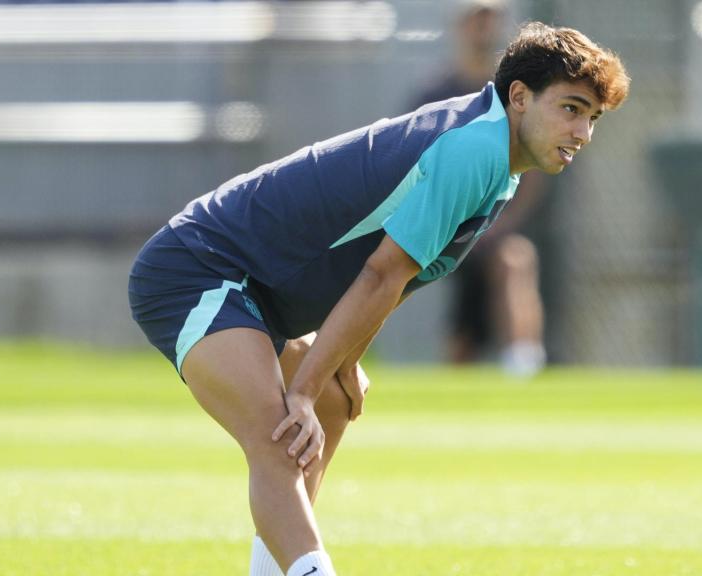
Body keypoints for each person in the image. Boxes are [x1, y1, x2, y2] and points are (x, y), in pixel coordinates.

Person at [129, 22, 629, 576]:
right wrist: (304, 388)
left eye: (593, 117)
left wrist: (339, 366)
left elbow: (394, 280)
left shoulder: (494, 156)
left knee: (333, 403)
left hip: (257, 287)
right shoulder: (474, 149)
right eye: (571, 108)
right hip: (195, 268)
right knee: (280, 432)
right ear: (519, 96)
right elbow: (380, 276)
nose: (583, 132)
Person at [411, 0, 549, 376]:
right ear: (460, 27)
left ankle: (523, 365)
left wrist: (499, 223)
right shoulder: (436, 94)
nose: (484, 30)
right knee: (462, 340)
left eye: (491, 21)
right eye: (477, 21)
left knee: (514, 259)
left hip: (494, 229)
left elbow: (533, 168)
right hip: (442, 227)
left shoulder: (514, 96)